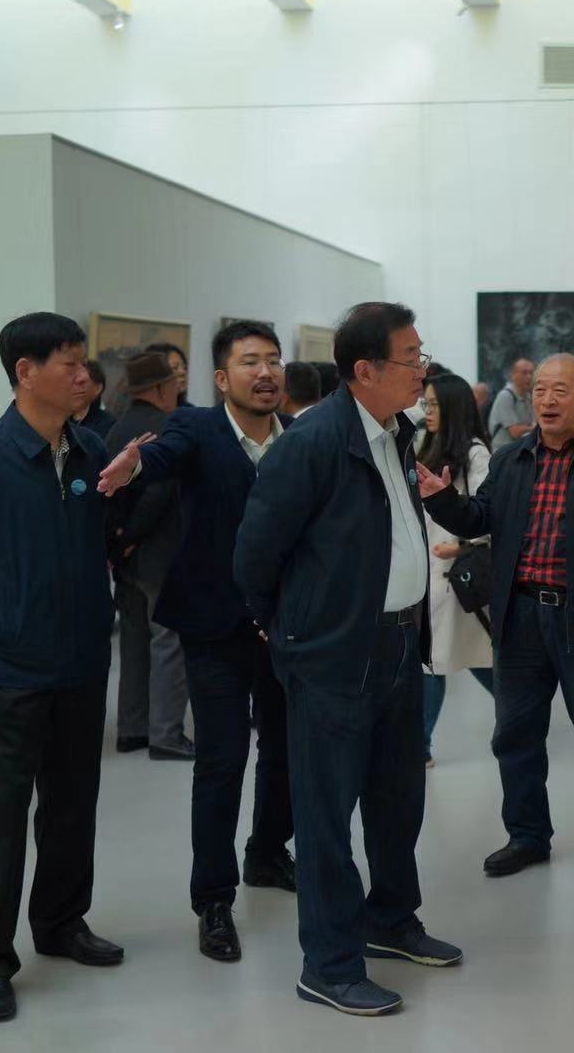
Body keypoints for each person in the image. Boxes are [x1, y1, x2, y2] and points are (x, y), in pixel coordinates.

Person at [235, 301, 461, 1018]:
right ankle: (328, 964)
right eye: (411, 358)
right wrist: (285, 630)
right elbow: (255, 553)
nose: (422, 370)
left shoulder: (396, 432)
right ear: (365, 370)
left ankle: (389, 919)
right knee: (326, 815)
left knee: (397, 797)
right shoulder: (313, 442)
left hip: (397, 644)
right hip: (332, 654)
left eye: (422, 356)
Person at [0, 313, 124, 1023]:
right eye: (69, 363)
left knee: (73, 801)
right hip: (10, 668)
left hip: (81, 659)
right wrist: (0, 622)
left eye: (83, 363)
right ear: (24, 372)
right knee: (5, 812)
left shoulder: (91, 448)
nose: (83, 376)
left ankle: (62, 922)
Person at [98, 321, 296, 965]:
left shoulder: (298, 437)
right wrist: (134, 464)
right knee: (222, 758)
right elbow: (163, 454)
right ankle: (213, 898)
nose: (264, 373)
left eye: (273, 360)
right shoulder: (197, 428)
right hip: (215, 624)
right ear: (221, 378)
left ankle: (268, 852)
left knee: (285, 748)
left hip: (287, 625)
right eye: (250, 362)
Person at [420, 353, 574, 883]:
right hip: (520, 616)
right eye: (540, 391)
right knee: (515, 733)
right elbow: (479, 518)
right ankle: (527, 835)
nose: (546, 400)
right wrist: (442, 500)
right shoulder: (509, 460)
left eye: (559, 391)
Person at [104, 352, 192, 761]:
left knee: (134, 644)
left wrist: (118, 542)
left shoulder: (117, 427)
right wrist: (133, 536)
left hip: (126, 559)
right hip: (160, 553)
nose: (176, 389)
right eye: (172, 383)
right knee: (169, 642)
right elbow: (160, 491)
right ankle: (166, 734)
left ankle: (132, 729)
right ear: (159, 389)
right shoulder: (167, 427)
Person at [417, 372, 495, 767]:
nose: (427, 411)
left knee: (451, 656)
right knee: (441, 656)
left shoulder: (476, 453)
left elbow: (490, 513)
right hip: (430, 570)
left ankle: (420, 745)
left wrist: (462, 544)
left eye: (434, 404)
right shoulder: (427, 443)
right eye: (425, 403)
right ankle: (420, 744)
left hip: (457, 571)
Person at [487, 357, 535, 451]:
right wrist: (534, 428)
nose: (529, 377)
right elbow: (515, 432)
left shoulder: (529, 397)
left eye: (531, 373)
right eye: (524, 373)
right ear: (513, 375)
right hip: (503, 452)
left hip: (521, 451)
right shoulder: (505, 396)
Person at [74, 360, 116, 440]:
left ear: (97, 388)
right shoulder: (60, 421)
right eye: (73, 382)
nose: (75, 387)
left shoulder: (108, 424)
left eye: (81, 382)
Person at [152, 342, 192, 407]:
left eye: (184, 367)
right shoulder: (144, 410)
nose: (182, 372)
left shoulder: (189, 410)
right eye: (175, 367)